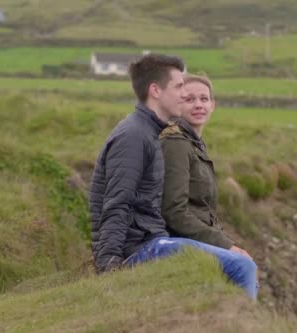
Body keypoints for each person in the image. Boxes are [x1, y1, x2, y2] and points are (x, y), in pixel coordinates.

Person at [89, 54, 258, 299]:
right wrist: (108, 268)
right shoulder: (133, 136)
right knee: (241, 266)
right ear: (156, 91)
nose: (184, 94)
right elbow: (116, 204)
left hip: (154, 239)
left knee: (239, 265)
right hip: (139, 248)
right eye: (179, 87)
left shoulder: (151, 132)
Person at [160, 73, 252, 259]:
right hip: (178, 240)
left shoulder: (193, 142)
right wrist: (225, 245)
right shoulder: (175, 143)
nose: (198, 105)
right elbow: (173, 211)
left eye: (204, 98)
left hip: (196, 237)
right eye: (189, 99)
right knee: (243, 266)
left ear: (213, 105)